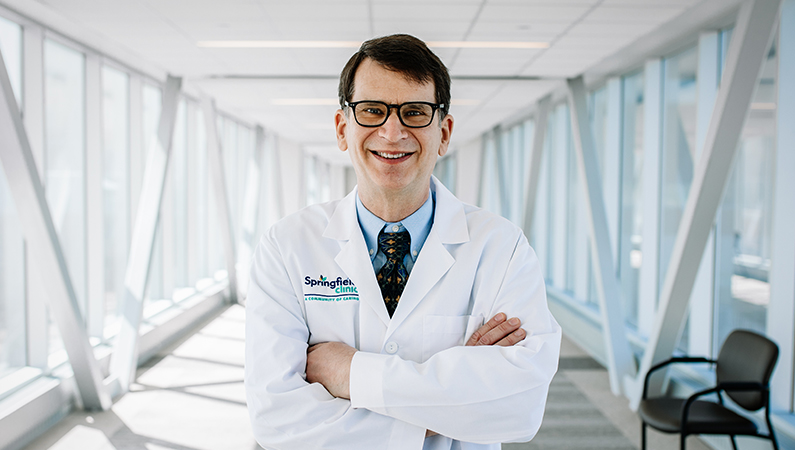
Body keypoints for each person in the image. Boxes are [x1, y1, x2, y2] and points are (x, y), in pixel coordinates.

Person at [245, 34, 561, 450]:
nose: (392, 132)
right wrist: (446, 409)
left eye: (414, 112)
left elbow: (517, 409)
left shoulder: (501, 248)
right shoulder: (287, 245)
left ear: (444, 133)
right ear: (343, 129)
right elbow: (276, 420)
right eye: (372, 110)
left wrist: (351, 374)